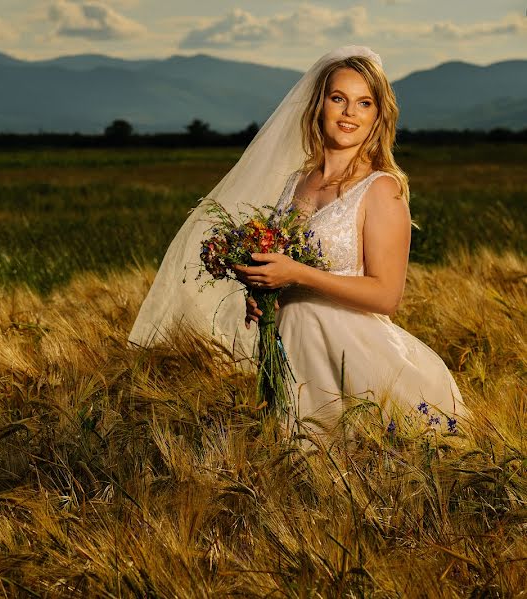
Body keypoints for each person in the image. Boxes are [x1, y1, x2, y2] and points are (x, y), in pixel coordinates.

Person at [127, 45, 467, 439]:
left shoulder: (382, 190)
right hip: (291, 352)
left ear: (378, 116)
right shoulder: (296, 184)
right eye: (338, 99)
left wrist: (297, 274)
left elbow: (386, 296)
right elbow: (282, 267)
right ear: (319, 104)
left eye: (364, 103)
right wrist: (264, 292)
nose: (349, 113)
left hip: (352, 359)